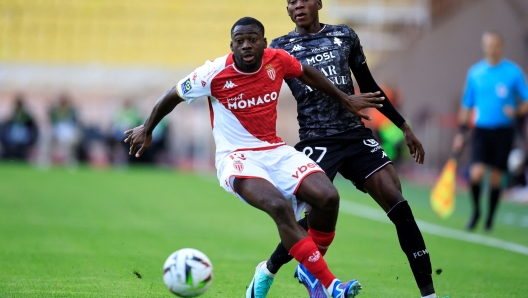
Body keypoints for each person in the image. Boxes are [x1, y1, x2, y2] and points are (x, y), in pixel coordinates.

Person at [124, 17, 385, 298]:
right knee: (278, 207)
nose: (246, 45)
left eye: (252, 39)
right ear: (232, 45)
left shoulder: (278, 60)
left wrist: (343, 98)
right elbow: (173, 95)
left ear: (263, 41)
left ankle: (309, 271)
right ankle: (331, 284)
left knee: (328, 198)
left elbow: (306, 73)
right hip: (237, 158)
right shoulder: (212, 73)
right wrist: (147, 128)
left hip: (275, 151)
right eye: (240, 41)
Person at [245, 1, 437, 298]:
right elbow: (258, 84)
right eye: (291, 2)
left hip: (354, 134)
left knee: (399, 206)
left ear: (318, 3)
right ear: (287, 9)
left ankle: (429, 296)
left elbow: (369, 85)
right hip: (315, 139)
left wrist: (403, 126)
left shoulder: (345, 36)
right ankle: (268, 269)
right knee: (316, 216)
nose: (297, 6)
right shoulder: (281, 48)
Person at [452, 31, 528, 232]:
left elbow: (526, 100)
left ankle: (489, 219)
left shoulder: (513, 72)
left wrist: (517, 110)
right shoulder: (475, 73)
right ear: (483, 46)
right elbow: (466, 104)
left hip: (504, 131)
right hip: (481, 130)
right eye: (488, 44)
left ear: (501, 47)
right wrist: (461, 133)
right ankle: (476, 211)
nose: (492, 48)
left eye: (495, 45)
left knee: (495, 177)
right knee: (476, 173)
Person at [0, 94, 39, 160]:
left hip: (22, 133)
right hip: (14, 133)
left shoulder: (25, 113)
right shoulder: (14, 113)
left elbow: (31, 123)